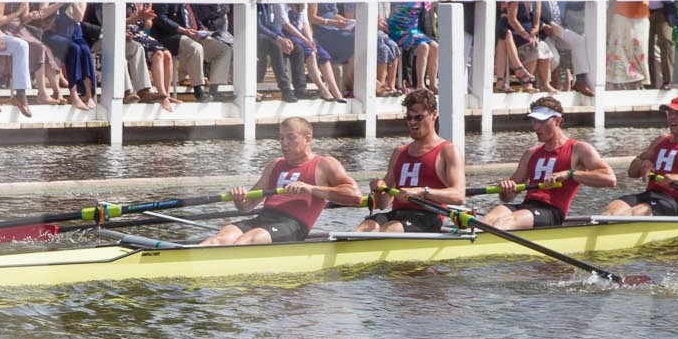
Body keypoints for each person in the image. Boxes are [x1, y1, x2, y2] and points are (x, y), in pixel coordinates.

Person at [201, 118, 362, 247]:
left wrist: (309, 188)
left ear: (307, 139)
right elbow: (247, 206)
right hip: (263, 219)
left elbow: (355, 196)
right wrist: (239, 199)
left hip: (293, 224)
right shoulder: (275, 165)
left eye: (291, 138)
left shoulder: (324, 164)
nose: (284, 143)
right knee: (219, 238)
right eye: (281, 138)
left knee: (247, 240)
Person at [482, 97, 618, 229]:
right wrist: (506, 189)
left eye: (541, 121)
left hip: (551, 211)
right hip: (526, 207)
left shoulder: (579, 149)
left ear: (557, 121)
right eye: (533, 121)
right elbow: (508, 198)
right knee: (487, 220)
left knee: (502, 222)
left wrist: (569, 174)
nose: (535, 127)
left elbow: (610, 179)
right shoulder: (530, 153)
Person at [356, 87, 467, 234]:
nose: (412, 123)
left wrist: (421, 191)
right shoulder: (399, 152)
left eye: (418, 117)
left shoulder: (448, 151)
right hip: (396, 215)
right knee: (362, 229)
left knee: (388, 230)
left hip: (428, 217)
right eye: (409, 117)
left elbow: (459, 195)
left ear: (434, 115)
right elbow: (383, 204)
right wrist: (378, 190)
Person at [604, 94, 678, 217]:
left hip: (677, 202)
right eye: (669, 113)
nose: (671, 117)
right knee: (612, 209)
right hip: (651, 195)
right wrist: (643, 163)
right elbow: (632, 173)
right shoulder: (660, 141)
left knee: (637, 212)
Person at [153, 0, 232, 99]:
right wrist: (183, 30)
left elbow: (193, 13)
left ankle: (215, 90)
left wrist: (200, 27)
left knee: (223, 49)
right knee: (196, 48)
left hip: (192, 33)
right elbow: (160, 18)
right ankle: (199, 92)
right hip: (171, 35)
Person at [608, 0, 654, 87]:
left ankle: (639, 81)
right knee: (620, 47)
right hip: (623, 14)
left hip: (640, 16)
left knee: (639, 47)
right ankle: (617, 81)